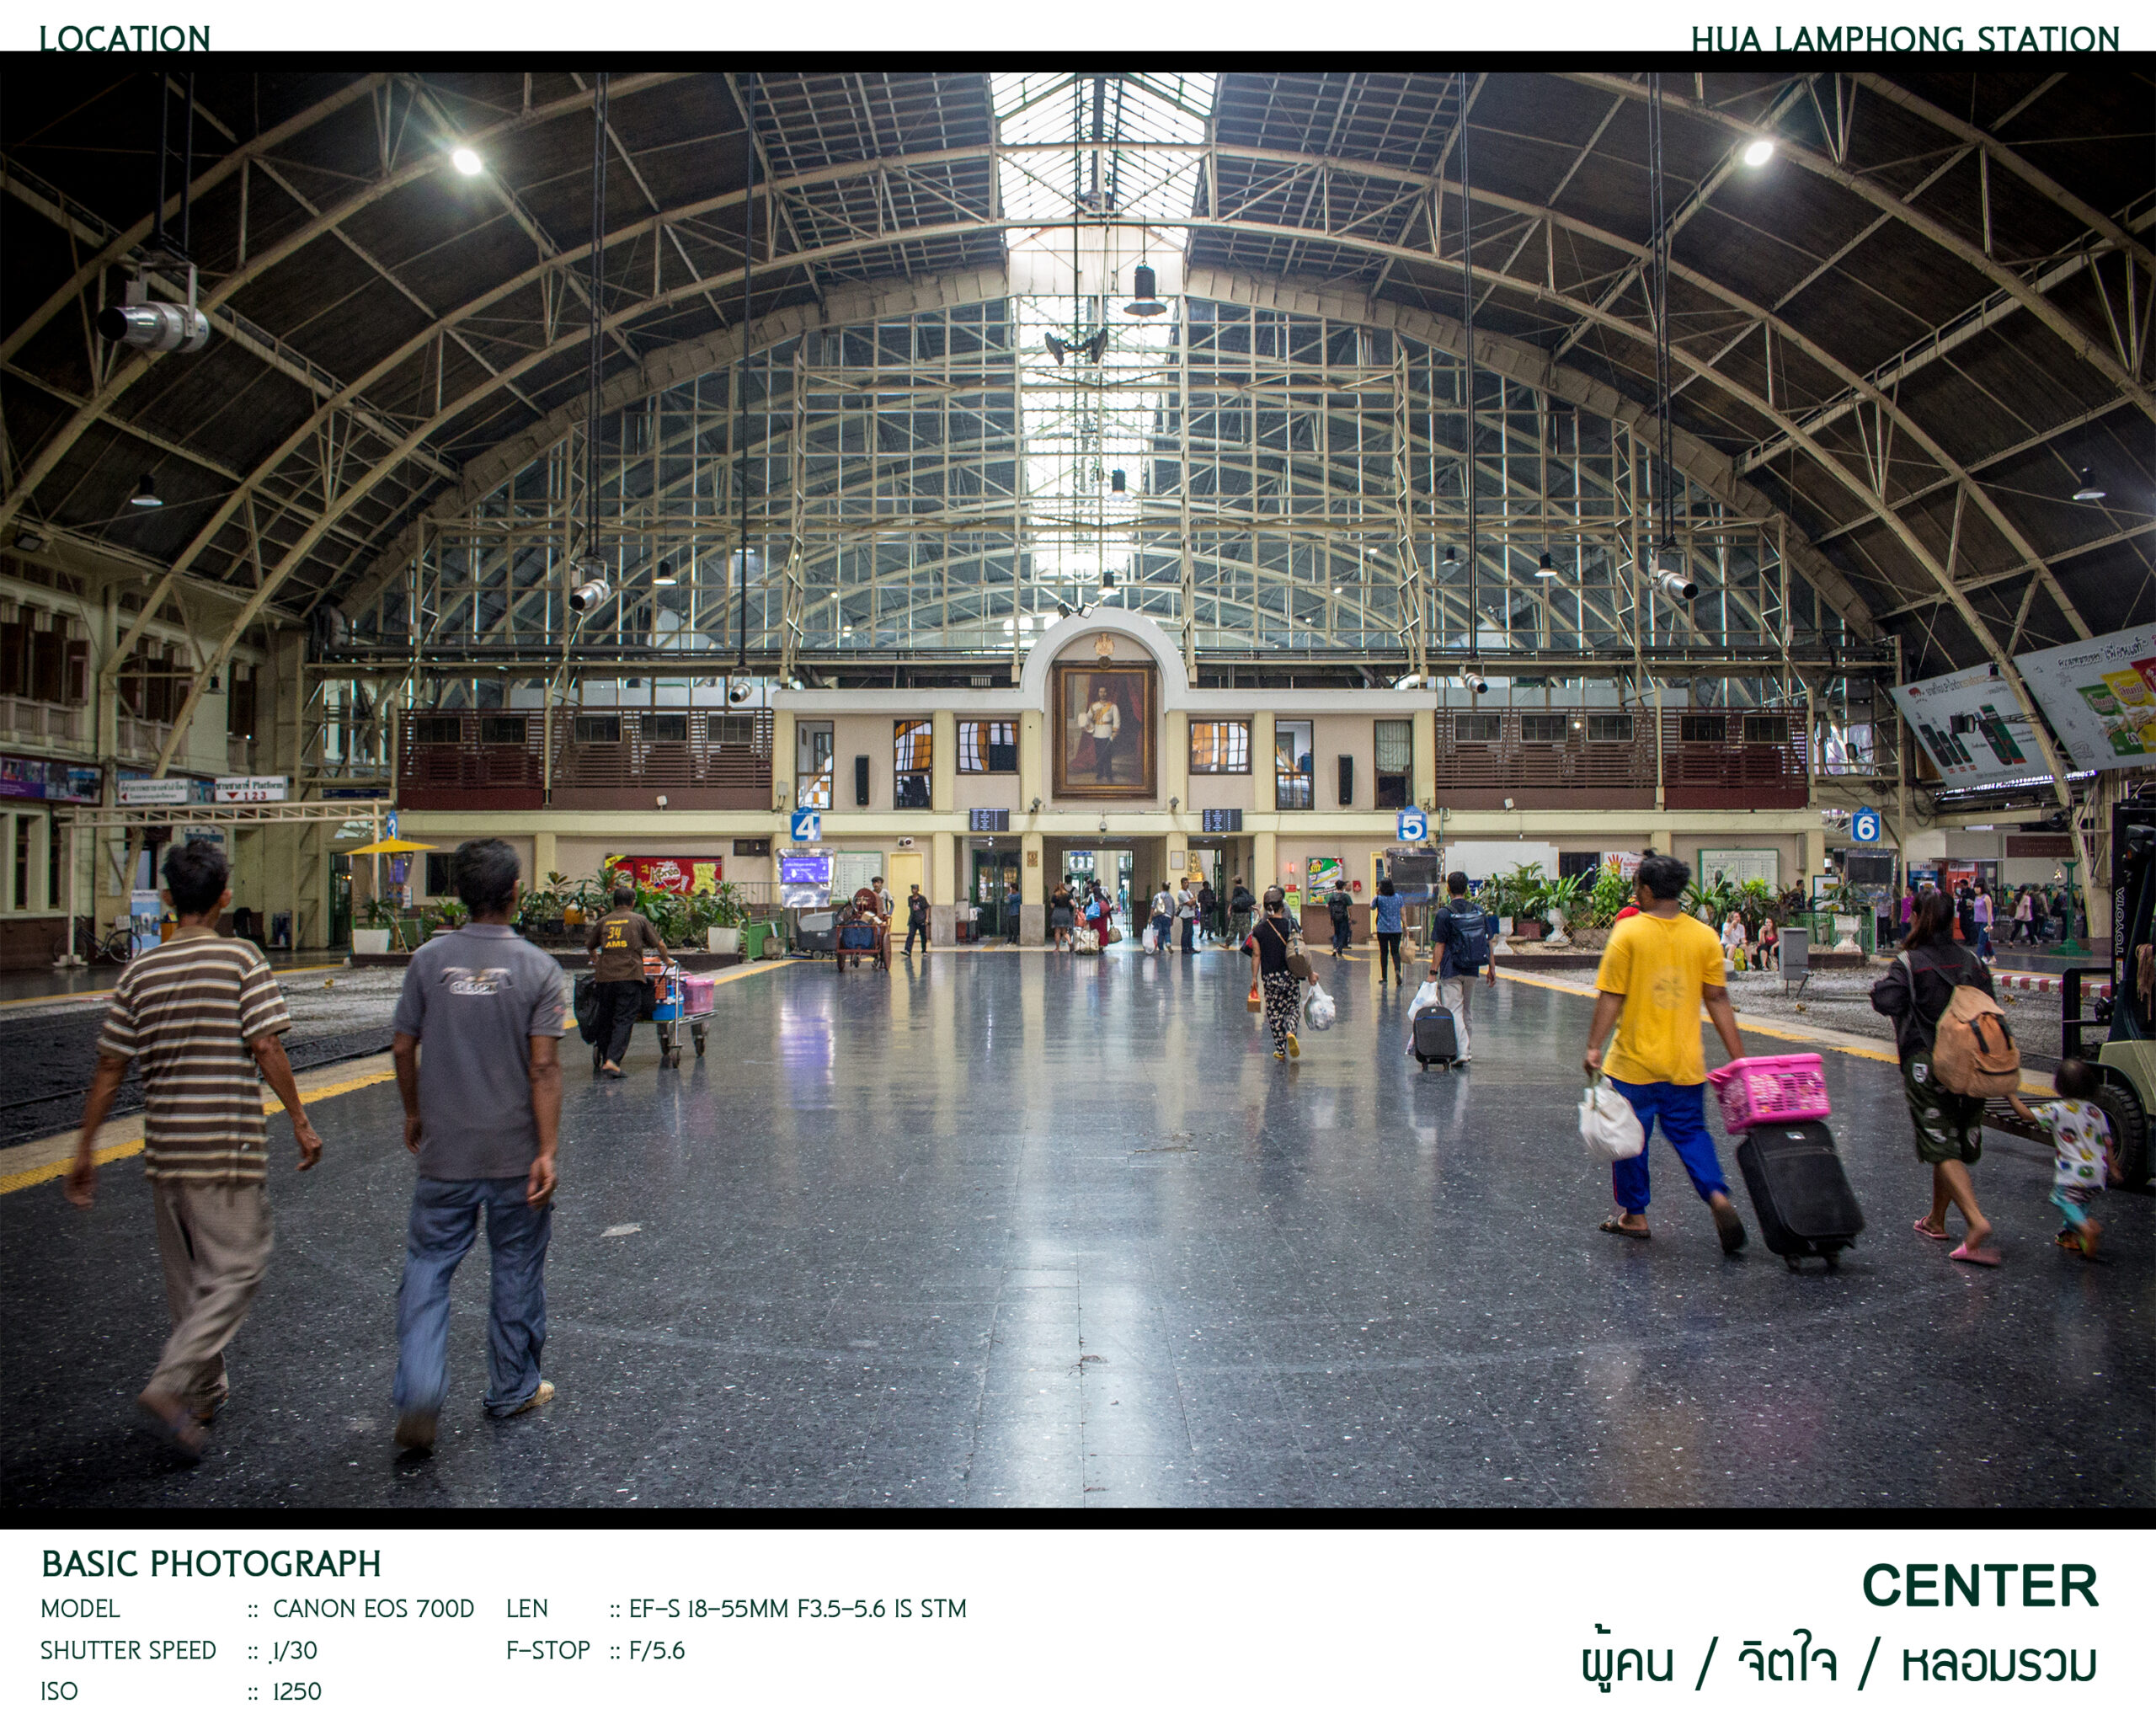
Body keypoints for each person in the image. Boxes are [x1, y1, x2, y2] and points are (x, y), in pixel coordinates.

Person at [67, 839, 322, 1461]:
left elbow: (109, 1068)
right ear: (224, 897)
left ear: (168, 899)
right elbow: (266, 1045)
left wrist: (85, 1149)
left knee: (188, 1281)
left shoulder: (139, 972)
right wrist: (299, 1119)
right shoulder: (240, 959)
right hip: (225, 1144)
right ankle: (170, 1383)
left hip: (165, 1151)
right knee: (238, 1268)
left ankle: (204, 1394)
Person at [389, 838, 565, 1452]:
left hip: (446, 1152)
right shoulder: (540, 969)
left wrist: (414, 1112)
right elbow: (544, 1068)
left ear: (459, 896)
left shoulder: (428, 961)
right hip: (516, 1156)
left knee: (428, 1266)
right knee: (515, 1264)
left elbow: (403, 1046)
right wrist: (546, 1150)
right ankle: (513, 1387)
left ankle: (420, 1390)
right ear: (516, 893)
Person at [1582, 852, 1749, 1252]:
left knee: (1630, 1139)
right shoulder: (1703, 937)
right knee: (1691, 1133)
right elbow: (1718, 998)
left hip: (1633, 1064)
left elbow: (1611, 996)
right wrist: (1739, 1057)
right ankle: (1716, 1194)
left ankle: (1635, 1215)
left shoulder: (1628, 933)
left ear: (1645, 890)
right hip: (1684, 1064)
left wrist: (1593, 1047)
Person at [1870, 887, 1999, 1266]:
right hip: (1970, 1064)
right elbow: (1989, 1007)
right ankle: (1936, 1220)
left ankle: (1975, 1221)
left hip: (1927, 1064)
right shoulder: (1973, 962)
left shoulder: (1909, 962)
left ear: (1918, 918)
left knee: (1939, 1143)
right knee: (1951, 1140)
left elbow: (1887, 1000)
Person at [2011, 1056, 2112, 1258]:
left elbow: (2027, 1115)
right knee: (2081, 1202)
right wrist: (2114, 1167)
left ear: (2060, 1086)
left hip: (2073, 1173)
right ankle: (2073, 1237)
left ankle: (2085, 1227)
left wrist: (2010, 1095)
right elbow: (2108, 1143)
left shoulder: (2057, 1109)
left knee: (2065, 1200)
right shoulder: (2097, 1113)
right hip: (2097, 1173)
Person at [585, 881, 667, 1077]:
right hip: (629, 976)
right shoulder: (639, 920)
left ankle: (605, 1057)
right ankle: (613, 1061)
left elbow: (590, 945)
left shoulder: (604, 921)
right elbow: (660, 945)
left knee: (606, 1017)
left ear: (614, 903)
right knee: (624, 1018)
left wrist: (595, 958)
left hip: (604, 977)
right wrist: (667, 961)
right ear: (632, 902)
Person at [1428, 870, 1498, 1065]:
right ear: (1466, 889)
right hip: (1472, 967)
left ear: (1448, 889)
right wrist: (1492, 968)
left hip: (1451, 969)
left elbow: (1439, 945)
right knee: (1467, 1010)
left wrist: (1433, 972)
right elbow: (1488, 941)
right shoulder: (1478, 911)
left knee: (1454, 1010)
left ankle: (1462, 1052)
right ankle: (1467, 1049)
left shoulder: (1444, 913)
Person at [1249, 886, 1302, 1061]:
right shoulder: (1291, 926)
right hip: (1290, 975)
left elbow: (1256, 955)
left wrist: (1254, 978)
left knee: (1274, 1012)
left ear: (1265, 907)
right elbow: (1301, 950)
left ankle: (1280, 1049)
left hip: (1270, 977)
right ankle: (1291, 1031)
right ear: (1282, 907)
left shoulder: (1259, 930)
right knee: (1293, 1006)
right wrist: (1309, 973)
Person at [1371, 877, 1405, 985]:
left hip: (1383, 929)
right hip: (1396, 929)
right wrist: (1405, 926)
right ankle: (1397, 971)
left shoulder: (1378, 898)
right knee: (1395, 952)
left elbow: (1372, 907)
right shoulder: (1398, 897)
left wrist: (1377, 894)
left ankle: (1384, 977)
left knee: (1384, 952)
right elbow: (1402, 913)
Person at [1324, 881, 1353, 959]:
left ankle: (1334, 948)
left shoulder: (1332, 896)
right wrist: (1350, 916)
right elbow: (1350, 907)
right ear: (1343, 887)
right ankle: (1339, 951)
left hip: (1335, 917)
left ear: (1336, 886)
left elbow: (1327, 906)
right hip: (1343, 917)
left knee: (1336, 933)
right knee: (1342, 934)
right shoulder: (1346, 896)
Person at [1228, 878, 1256, 948]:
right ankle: (1250, 944)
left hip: (1237, 912)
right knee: (1247, 929)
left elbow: (1233, 901)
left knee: (1233, 928)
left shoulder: (1236, 890)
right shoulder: (1245, 890)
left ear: (1235, 882)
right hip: (1246, 912)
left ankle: (1227, 943)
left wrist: (1229, 910)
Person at [904, 885, 931, 957]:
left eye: (915, 889)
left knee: (923, 936)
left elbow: (927, 907)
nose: (913, 890)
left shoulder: (922, 898)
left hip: (921, 919)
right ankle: (908, 950)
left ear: (918, 890)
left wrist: (927, 918)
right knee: (911, 935)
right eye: (912, 889)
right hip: (913, 920)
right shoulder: (910, 898)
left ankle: (924, 950)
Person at [1049, 881, 1075, 952]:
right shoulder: (1068, 895)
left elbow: (1052, 906)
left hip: (1057, 912)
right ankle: (1070, 942)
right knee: (1064, 931)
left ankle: (1057, 948)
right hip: (1065, 913)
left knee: (1057, 931)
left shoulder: (1055, 895)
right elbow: (1073, 904)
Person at [1149, 883, 1174, 951]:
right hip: (1168, 917)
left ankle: (1160, 948)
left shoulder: (1157, 896)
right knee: (1167, 932)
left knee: (1159, 933)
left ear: (1162, 887)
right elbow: (1173, 910)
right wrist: (1172, 920)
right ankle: (1168, 942)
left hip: (1158, 917)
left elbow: (1153, 907)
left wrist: (1150, 918)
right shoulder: (1171, 898)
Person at [1176, 879, 1199, 952]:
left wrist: (1193, 899)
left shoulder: (1188, 891)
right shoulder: (1181, 893)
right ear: (1182, 884)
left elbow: (1194, 901)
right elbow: (1189, 903)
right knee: (1186, 932)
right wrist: (1192, 899)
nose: (1187, 884)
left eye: (1188, 883)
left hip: (1190, 914)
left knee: (1191, 932)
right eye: (1185, 883)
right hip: (1185, 914)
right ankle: (1184, 948)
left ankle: (1190, 947)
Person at [1972, 883, 1994, 959]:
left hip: (1985, 922)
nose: (1976, 889)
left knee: (1981, 941)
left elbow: (1989, 912)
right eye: (1975, 887)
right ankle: (1992, 957)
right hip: (1977, 921)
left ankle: (1979, 957)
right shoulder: (1976, 897)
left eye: (1978, 887)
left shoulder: (1986, 897)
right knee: (1986, 940)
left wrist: (1989, 924)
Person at [1197, 879, 1219, 943]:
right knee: (1202, 922)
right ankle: (1202, 932)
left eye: (1207, 885)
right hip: (1204, 909)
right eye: (1205, 885)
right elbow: (1199, 900)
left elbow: (1214, 900)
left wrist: (1211, 902)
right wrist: (1207, 901)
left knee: (1210, 922)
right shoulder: (1201, 892)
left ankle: (1209, 934)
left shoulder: (1211, 892)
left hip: (1210, 909)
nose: (1206, 886)